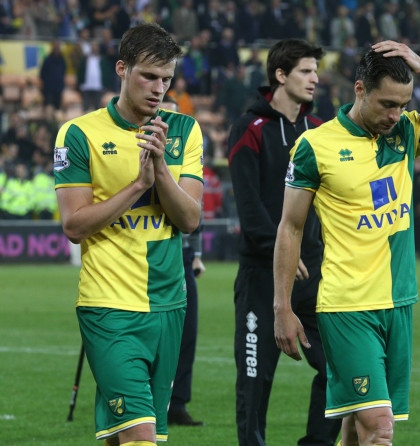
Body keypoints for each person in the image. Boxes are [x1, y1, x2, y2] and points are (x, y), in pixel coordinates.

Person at [273, 41, 420, 446]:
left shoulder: (406, 131)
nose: (396, 115)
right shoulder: (315, 146)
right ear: (359, 90)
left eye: (403, 104)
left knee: (356, 427)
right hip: (347, 306)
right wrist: (282, 306)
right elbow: (291, 227)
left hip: (399, 301)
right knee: (379, 427)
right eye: (387, 103)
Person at [53, 23, 204, 445]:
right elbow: (74, 225)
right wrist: (137, 186)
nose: (159, 88)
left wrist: (159, 172)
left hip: (169, 302)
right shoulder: (80, 133)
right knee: (141, 437)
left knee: (123, 435)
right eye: (149, 76)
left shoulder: (183, 131)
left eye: (167, 79)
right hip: (109, 307)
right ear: (122, 69)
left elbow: (189, 219)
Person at [227, 38, 341, 446]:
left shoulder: (319, 131)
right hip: (262, 275)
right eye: (306, 71)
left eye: (316, 71)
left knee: (338, 370)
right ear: (280, 75)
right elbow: (250, 207)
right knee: (255, 380)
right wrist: (283, 255)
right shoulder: (249, 128)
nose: (315, 79)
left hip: (314, 277)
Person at [159, 95, 206, 426]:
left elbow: (195, 212)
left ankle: (177, 402)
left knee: (187, 333)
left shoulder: (187, 146)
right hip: (152, 248)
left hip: (183, 253)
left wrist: (198, 255)